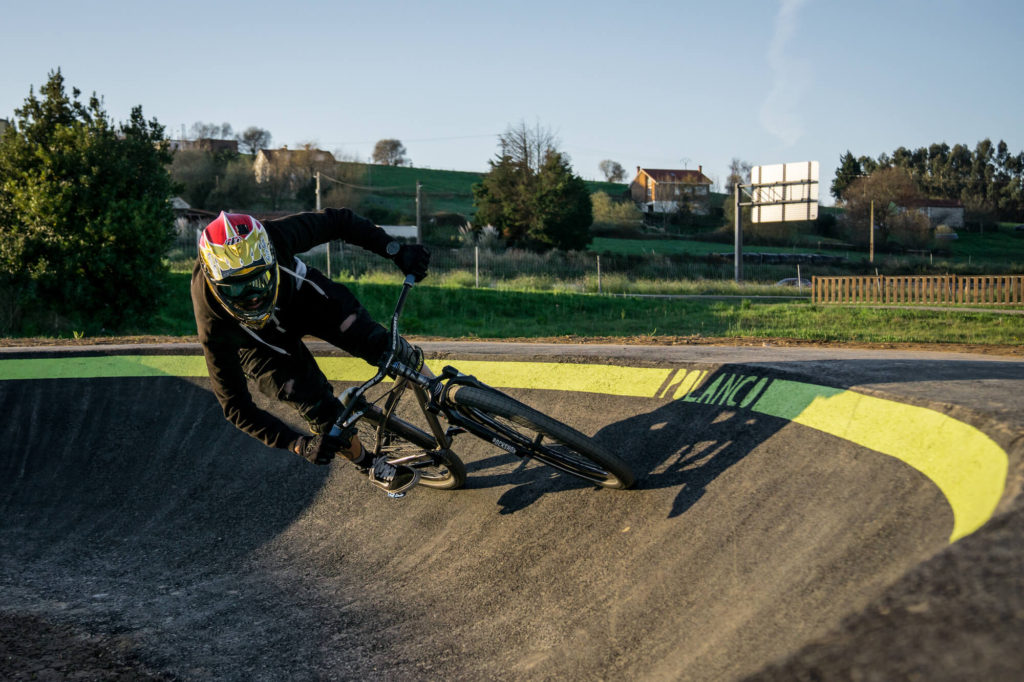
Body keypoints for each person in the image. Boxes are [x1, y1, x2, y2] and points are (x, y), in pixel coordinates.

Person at [191, 208, 430, 495]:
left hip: (299, 296)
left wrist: (394, 250)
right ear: (214, 283)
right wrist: (298, 444)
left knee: (375, 341)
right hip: (253, 341)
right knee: (316, 407)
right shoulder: (211, 323)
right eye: (237, 289)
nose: (252, 297)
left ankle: (437, 389)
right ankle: (369, 463)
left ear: (269, 254)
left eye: (257, 280)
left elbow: (337, 222)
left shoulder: (275, 236)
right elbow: (236, 407)